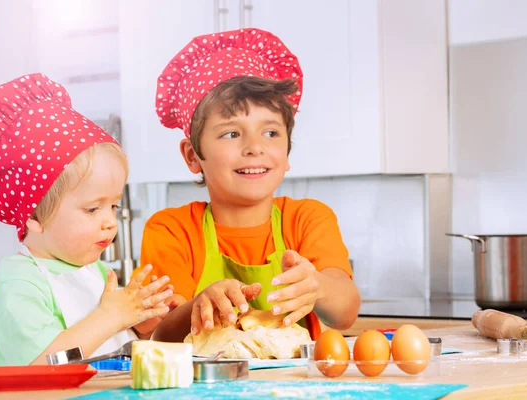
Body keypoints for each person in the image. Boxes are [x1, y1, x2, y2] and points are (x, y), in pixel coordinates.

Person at [134, 28, 361, 343]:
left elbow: (345, 312)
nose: (255, 147)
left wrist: (317, 286)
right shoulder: (172, 230)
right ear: (192, 155)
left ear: (287, 150)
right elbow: (160, 335)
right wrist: (197, 309)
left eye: (270, 133)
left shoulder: (308, 219)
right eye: (231, 133)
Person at [0, 73, 172, 366]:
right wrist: (111, 316)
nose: (110, 222)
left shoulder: (93, 271)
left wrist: (139, 326)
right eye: (92, 209)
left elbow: (107, 356)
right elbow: (42, 366)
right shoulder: (20, 283)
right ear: (34, 215)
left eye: (113, 206)